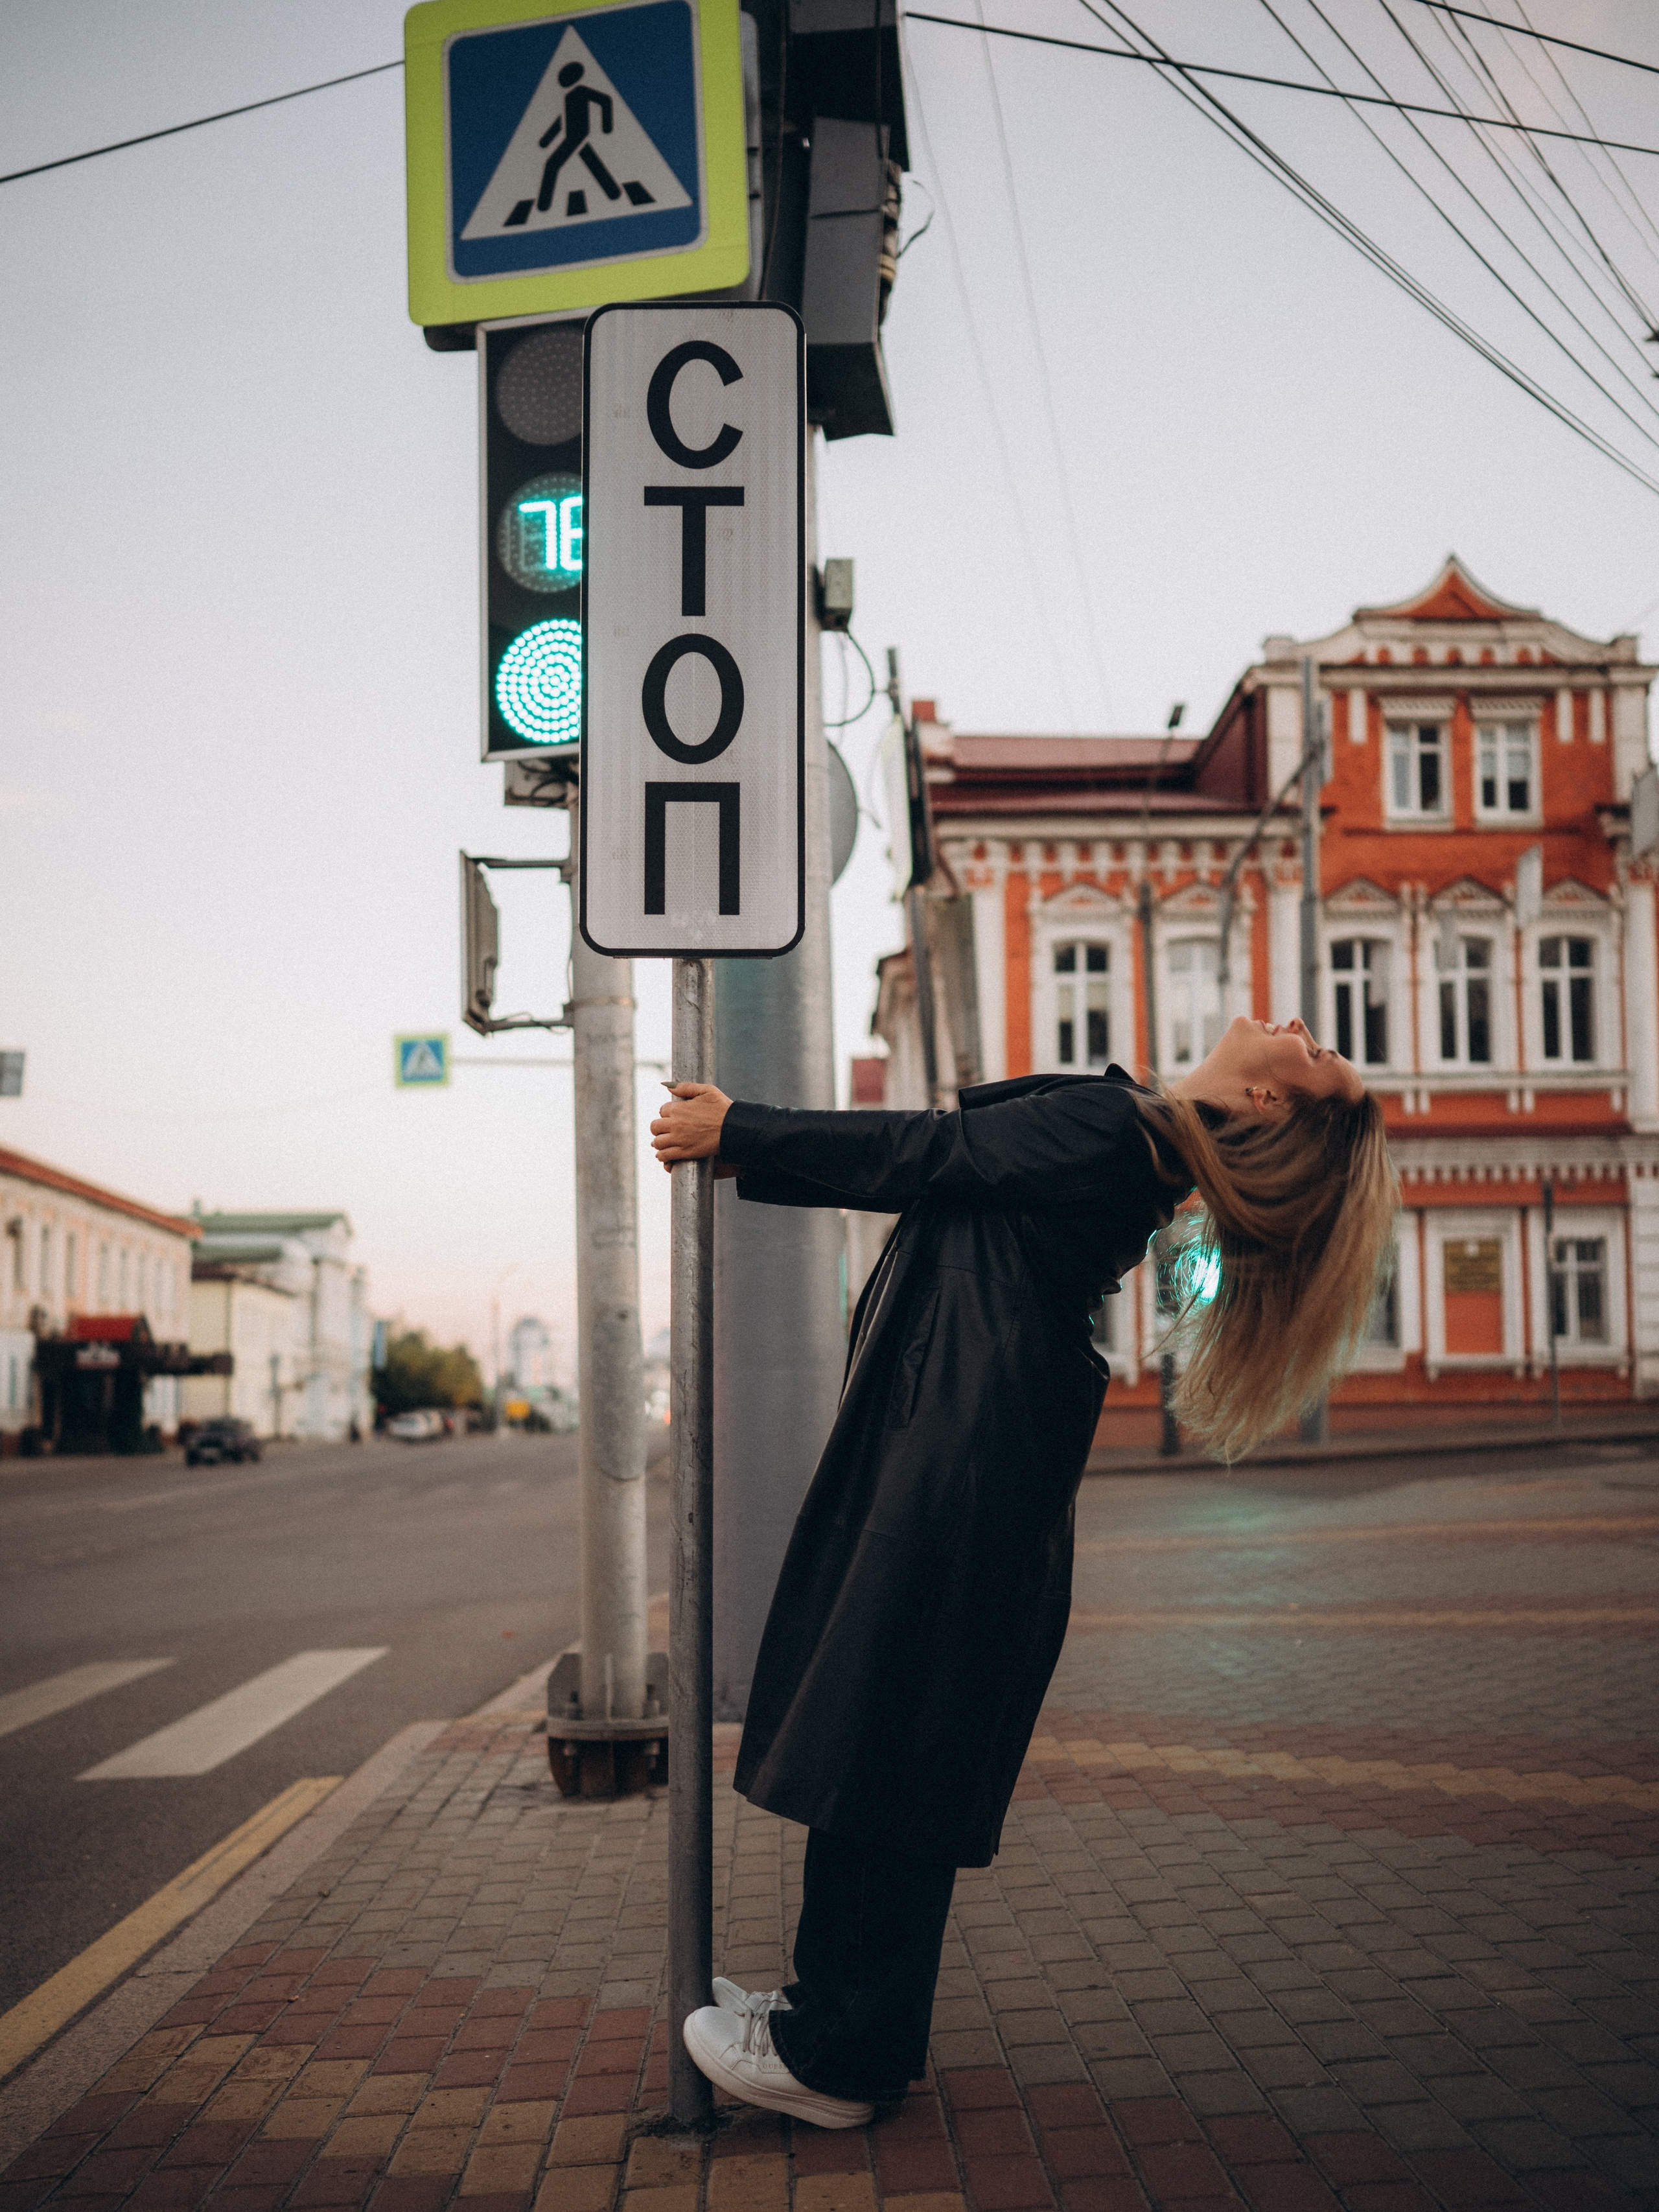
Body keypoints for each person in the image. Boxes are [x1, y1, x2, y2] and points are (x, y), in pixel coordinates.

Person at [648, 1016, 1397, 2130]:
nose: (1299, 1027)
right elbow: (951, 1160)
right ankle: (846, 2023)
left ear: (1278, 1105)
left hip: (954, 1464)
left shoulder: (1115, 1131)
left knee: (881, 1742)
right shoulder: (1137, 1135)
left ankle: (833, 2052)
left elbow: (932, 1152)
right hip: (977, 1457)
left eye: (1319, 1051)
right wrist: (752, 1145)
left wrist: (741, 1131)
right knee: (900, 1744)